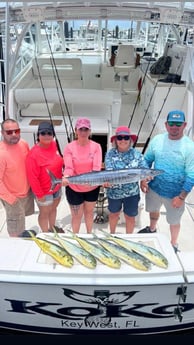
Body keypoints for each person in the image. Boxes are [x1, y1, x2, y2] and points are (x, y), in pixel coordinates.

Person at [138, 110, 194, 252]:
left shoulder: (189, 147)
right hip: (154, 188)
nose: (174, 127)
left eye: (178, 124)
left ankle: (174, 244)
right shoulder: (157, 140)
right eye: (171, 123)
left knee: (174, 221)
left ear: (184, 125)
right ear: (166, 124)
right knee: (153, 211)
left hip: (175, 194)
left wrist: (182, 197)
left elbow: (191, 175)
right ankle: (152, 229)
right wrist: (144, 178)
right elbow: (146, 160)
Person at [104, 126, 149, 234]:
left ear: (130, 140)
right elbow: (108, 172)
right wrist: (105, 182)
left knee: (130, 217)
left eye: (126, 138)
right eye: (120, 138)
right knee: (114, 214)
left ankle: (129, 238)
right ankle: (112, 235)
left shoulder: (137, 154)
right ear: (115, 140)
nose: (123, 140)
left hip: (132, 193)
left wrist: (144, 180)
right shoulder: (110, 154)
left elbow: (145, 169)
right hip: (114, 193)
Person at [62, 117, 102, 233]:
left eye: (86, 129)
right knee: (76, 216)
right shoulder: (69, 147)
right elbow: (69, 167)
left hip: (92, 187)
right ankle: (75, 238)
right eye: (81, 129)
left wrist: (96, 180)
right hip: (74, 188)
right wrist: (66, 177)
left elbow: (96, 167)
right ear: (76, 131)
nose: (83, 132)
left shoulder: (96, 146)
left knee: (89, 213)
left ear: (90, 131)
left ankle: (89, 235)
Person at [26, 121, 64, 233]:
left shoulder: (54, 144)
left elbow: (59, 162)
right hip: (43, 191)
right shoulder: (33, 154)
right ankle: (45, 234)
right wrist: (39, 194)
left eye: (49, 133)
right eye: (43, 133)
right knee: (44, 212)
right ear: (38, 135)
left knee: (53, 209)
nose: (47, 136)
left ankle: (52, 228)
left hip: (57, 187)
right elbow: (32, 177)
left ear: (53, 135)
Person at [0, 119, 35, 237]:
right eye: (9, 132)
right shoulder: (1, 153)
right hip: (12, 197)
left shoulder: (23, 143)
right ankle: (16, 242)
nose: (14, 134)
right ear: (2, 133)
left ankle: (22, 232)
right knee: (14, 225)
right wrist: (11, 199)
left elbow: (31, 163)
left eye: (17, 131)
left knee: (21, 217)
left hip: (26, 191)